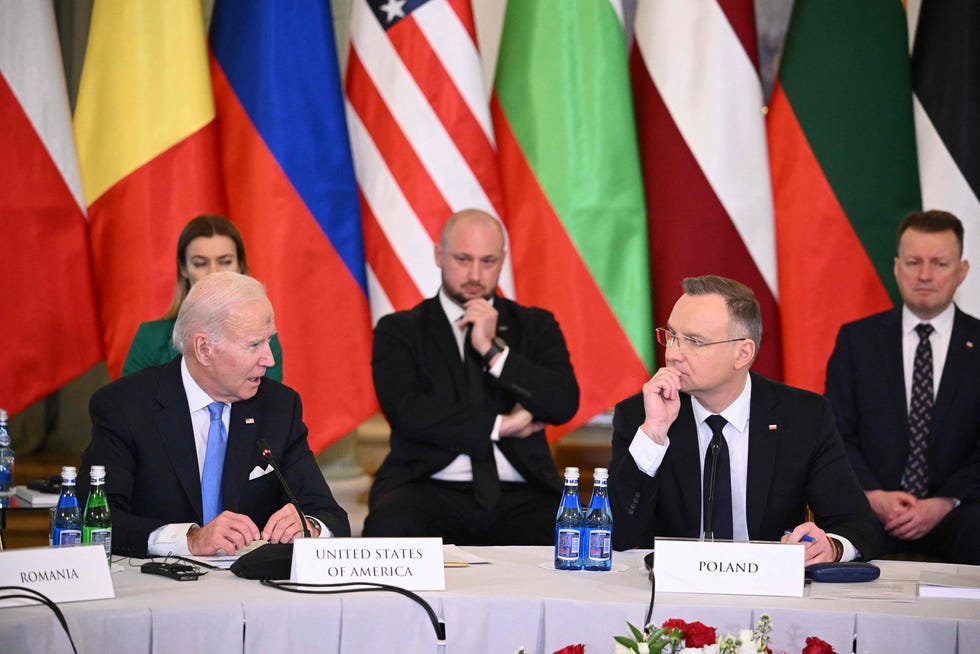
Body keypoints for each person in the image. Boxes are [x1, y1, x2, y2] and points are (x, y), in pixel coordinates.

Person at [609, 275, 880, 564]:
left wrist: (832, 547)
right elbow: (619, 534)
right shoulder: (641, 415)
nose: (673, 354)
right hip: (673, 593)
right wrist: (654, 433)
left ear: (743, 353)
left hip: (770, 595)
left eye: (694, 341)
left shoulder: (804, 417)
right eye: (672, 336)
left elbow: (859, 526)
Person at [80, 272, 349, 558]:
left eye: (268, 340)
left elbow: (330, 515)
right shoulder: (126, 406)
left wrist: (309, 526)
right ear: (204, 349)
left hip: (250, 590)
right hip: (156, 588)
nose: (269, 359)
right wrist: (190, 539)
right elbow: (98, 521)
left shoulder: (279, 407)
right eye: (254, 345)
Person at [363, 209, 579, 545]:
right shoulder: (400, 331)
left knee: (574, 538)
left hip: (524, 490)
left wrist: (493, 353)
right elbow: (409, 413)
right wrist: (501, 426)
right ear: (439, 255)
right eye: (463, 259)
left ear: (503, 260)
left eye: (488, 261)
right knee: (390, 524)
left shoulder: (536, 326)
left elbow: (563, 402)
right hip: (425, 487)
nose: (475, 274)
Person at [825, 210, 979, 564]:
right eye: (913, 262)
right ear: (896, 267)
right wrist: (875, 496)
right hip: (871, 511)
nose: (925, 275)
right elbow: (834, 432)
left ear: (962, 271)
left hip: (961, 513)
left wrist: (943, 503)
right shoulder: (856, 340)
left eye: (939, 263)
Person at [122, 214, 283, 380]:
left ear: (240, 265)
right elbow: (129, 403)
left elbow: (268, 404)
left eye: (225, 261)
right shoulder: (150, 337)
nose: (214, 273)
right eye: (200, 263)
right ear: (183, 268)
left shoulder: (263, 336)